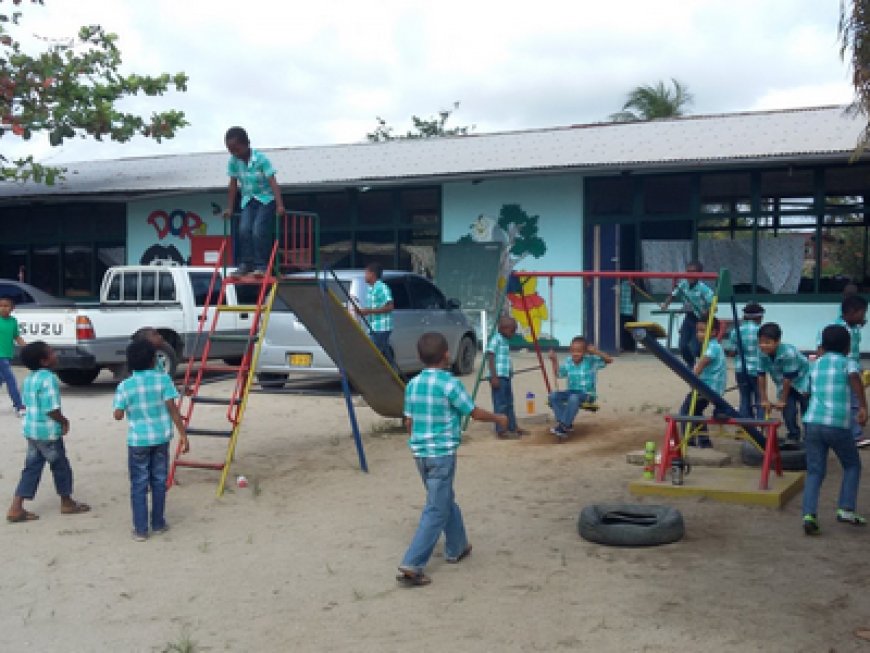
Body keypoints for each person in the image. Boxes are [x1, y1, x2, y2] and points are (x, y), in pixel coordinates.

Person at [397, 332, 508, 587]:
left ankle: (457, 546)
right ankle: (413, 563)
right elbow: (474, 413)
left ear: (419, 357)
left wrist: (418, 443)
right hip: (441, 454)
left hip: (420, 454)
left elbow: (408, 421)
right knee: (436, 508)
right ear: (447, 355)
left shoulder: (413, 384)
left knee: (444, 499)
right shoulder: (449, 384)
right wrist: (499, 418)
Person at [113, 339, 189, 541]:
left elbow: (118, 414)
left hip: (138, 440)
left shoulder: (125, 386)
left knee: (138, 484)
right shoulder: (163, 380)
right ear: (153, 360)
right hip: (161, 438)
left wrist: (124, 409)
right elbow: (173, 409)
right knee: (159, 481)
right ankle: (158, 522)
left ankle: (140, 528)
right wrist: (183, 434)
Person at [6, 341, 90, 523]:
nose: (56, 355)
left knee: (32, 468)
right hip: (48, 432)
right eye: (52, 352)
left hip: (31, 430)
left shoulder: (29, 379)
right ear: (44, 361)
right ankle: (67, 501)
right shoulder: (48, 379)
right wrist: (63, 420)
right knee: (61, 466)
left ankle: (16, 506)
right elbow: (51, 408)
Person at [801, 324, 868, 535]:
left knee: (814, 471)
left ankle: (809, 514)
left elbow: (804, 391)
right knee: (852, 465)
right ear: (847, 347)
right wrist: (863, 406)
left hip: (812, 422)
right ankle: (846, 508)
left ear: (822, 346)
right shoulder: (847, 363)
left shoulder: (815, 364)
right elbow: (855, 379)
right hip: (837, 424)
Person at [222, 126, 286, 277]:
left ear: (247, 144)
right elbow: (232, 185)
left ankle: (262, 266)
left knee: (258, 230)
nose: (234, 153)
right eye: (230, 150)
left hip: (266, 200)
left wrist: (280, 204)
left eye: (237, 149)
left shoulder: (261, 159)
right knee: (244, 230)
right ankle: (246, 264)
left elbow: (273, 182)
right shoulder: (233, 162)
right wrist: (230, 208)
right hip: (248, 200)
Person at [818, 295, 868, 447]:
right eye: (863, 313)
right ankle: (855, 435)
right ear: (852, 312)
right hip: (841, 371)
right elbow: (821, 349)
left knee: (849, 400)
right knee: (854, 401)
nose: (864, 316)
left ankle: (848, 431)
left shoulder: (854, 327)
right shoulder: (834, 328)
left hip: (852, 368)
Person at [547, 336, 613, 439]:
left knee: (574, 398)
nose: (575, 354)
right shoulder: (568, 361)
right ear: (570, 350)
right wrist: (554, 361)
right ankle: (565, 424)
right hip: (571, 392)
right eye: (573, 351)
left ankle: (563, 426)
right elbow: (559, 374)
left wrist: (596, 352)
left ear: (585, 352)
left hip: (587, 394)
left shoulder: (591, 361)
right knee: (553, 396)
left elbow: (609, 360)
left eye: (579, 351)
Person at [757, 322, 810, 443]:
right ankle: (793, 434)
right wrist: (764, 399)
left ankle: (810, 438)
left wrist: (782, 400)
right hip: (784, 383)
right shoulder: (761, 353)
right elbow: (761, 375)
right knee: (788, 411)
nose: (763, 345)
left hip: (803, 381)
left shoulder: (788, 353)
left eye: (767, 342)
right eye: (761, 342)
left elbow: (788, 378)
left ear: (777, 341)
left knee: (806, 410)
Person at [679, 316, 727, 448]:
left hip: (708, 387)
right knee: (696, 412)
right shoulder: (709, 345)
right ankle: (705, 442)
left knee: (685, 412)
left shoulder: (712, 347)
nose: (699, 334)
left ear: (713, 332)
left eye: (702, 331)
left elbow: (702, 364)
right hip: (709, 386)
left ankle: (689, 442)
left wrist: (692, 378)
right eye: (698, 331)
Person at [660, 260, 714, 368]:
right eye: (688, 272)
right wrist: (665, 304)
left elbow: (713, 304)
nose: (689, 275)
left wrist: (706, 313)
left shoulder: (704, 289)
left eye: (693, 272)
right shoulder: (683, 284)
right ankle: (690, 364)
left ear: (699, 274)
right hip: (688, 318)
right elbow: (673, 294)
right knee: (683, 346)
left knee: (696, 347)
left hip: (700, 319)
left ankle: (704, 362)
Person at [724, 302, 765, 418]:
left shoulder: (736, 331)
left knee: (745, 399)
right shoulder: (762, 331)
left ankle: (746, 427)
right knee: (760, 399)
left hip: (741, 369)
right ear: (758, 317)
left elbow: (731, 352)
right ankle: (760, 425)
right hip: (758, 370)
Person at [486, 316, 522, 438]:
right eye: (512, 330)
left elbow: (506, 359)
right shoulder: (496, 339)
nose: (514, 333)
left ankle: (512, 426)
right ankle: (501, 430)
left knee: (509, 402)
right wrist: (493, 376)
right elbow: (491, 357)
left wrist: (510, 371)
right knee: (500, 404)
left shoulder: (505, 340)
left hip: (506, 376)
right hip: (498, 376)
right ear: (503, 328)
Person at [356, 262, 397, 369]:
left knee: (373, 353)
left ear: (372, 274)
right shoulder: (370, 288)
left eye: (366, 273)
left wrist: (369, 311)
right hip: (373, 327)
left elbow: (390, 306)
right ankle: (392, 372)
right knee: (384, 354)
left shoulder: (382, 288)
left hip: (382, 327)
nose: (365, 276)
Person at [0, 295, 26, 416]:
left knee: (1, 379)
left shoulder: (13, 321)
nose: (3, 308)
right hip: (1, 357)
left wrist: (27, 347)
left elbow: (16, 336)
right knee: (11, 380)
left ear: (12, 308)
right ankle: (19, 405)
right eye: (1, 306)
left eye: (6, 306)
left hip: (7, 355)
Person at [619, 279, 636, 353]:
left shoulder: (620, 286)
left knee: (623, 331)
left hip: (622, 311)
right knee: (631, 331)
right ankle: (631, 347)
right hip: (631, 311)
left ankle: (623, 347)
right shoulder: (635, 285)